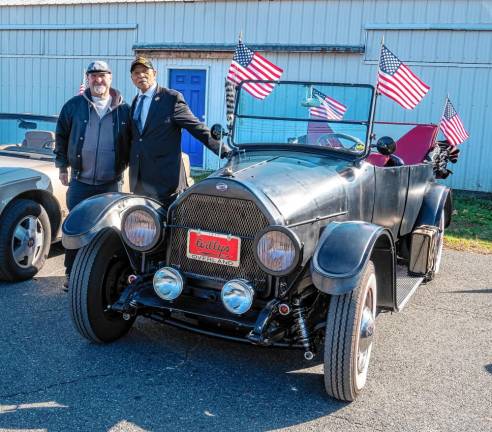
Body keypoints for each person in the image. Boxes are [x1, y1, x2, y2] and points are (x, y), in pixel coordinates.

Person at [54, 60, 131, 289]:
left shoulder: (123, 109)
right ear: (87, 79)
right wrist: (62, 166)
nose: (98, 80)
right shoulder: (73, 106)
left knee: (109, 230)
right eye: (93, 75)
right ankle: (71, 274)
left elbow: (134, 140)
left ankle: (104, 277)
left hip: (110, 183)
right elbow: (61, 136)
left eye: (102, 75)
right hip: (81, 180)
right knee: (76, 227)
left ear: (110, 78)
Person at [128, 57, 232, 205]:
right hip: (140, 181)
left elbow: (196, 127)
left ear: (154, 73)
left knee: (168, 225)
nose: (141, 75)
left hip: (165, 182)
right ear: (132, 78)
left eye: (145, 71)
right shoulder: (135, 102)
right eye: (136, 73)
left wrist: (225, 151)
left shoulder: (170, 98)